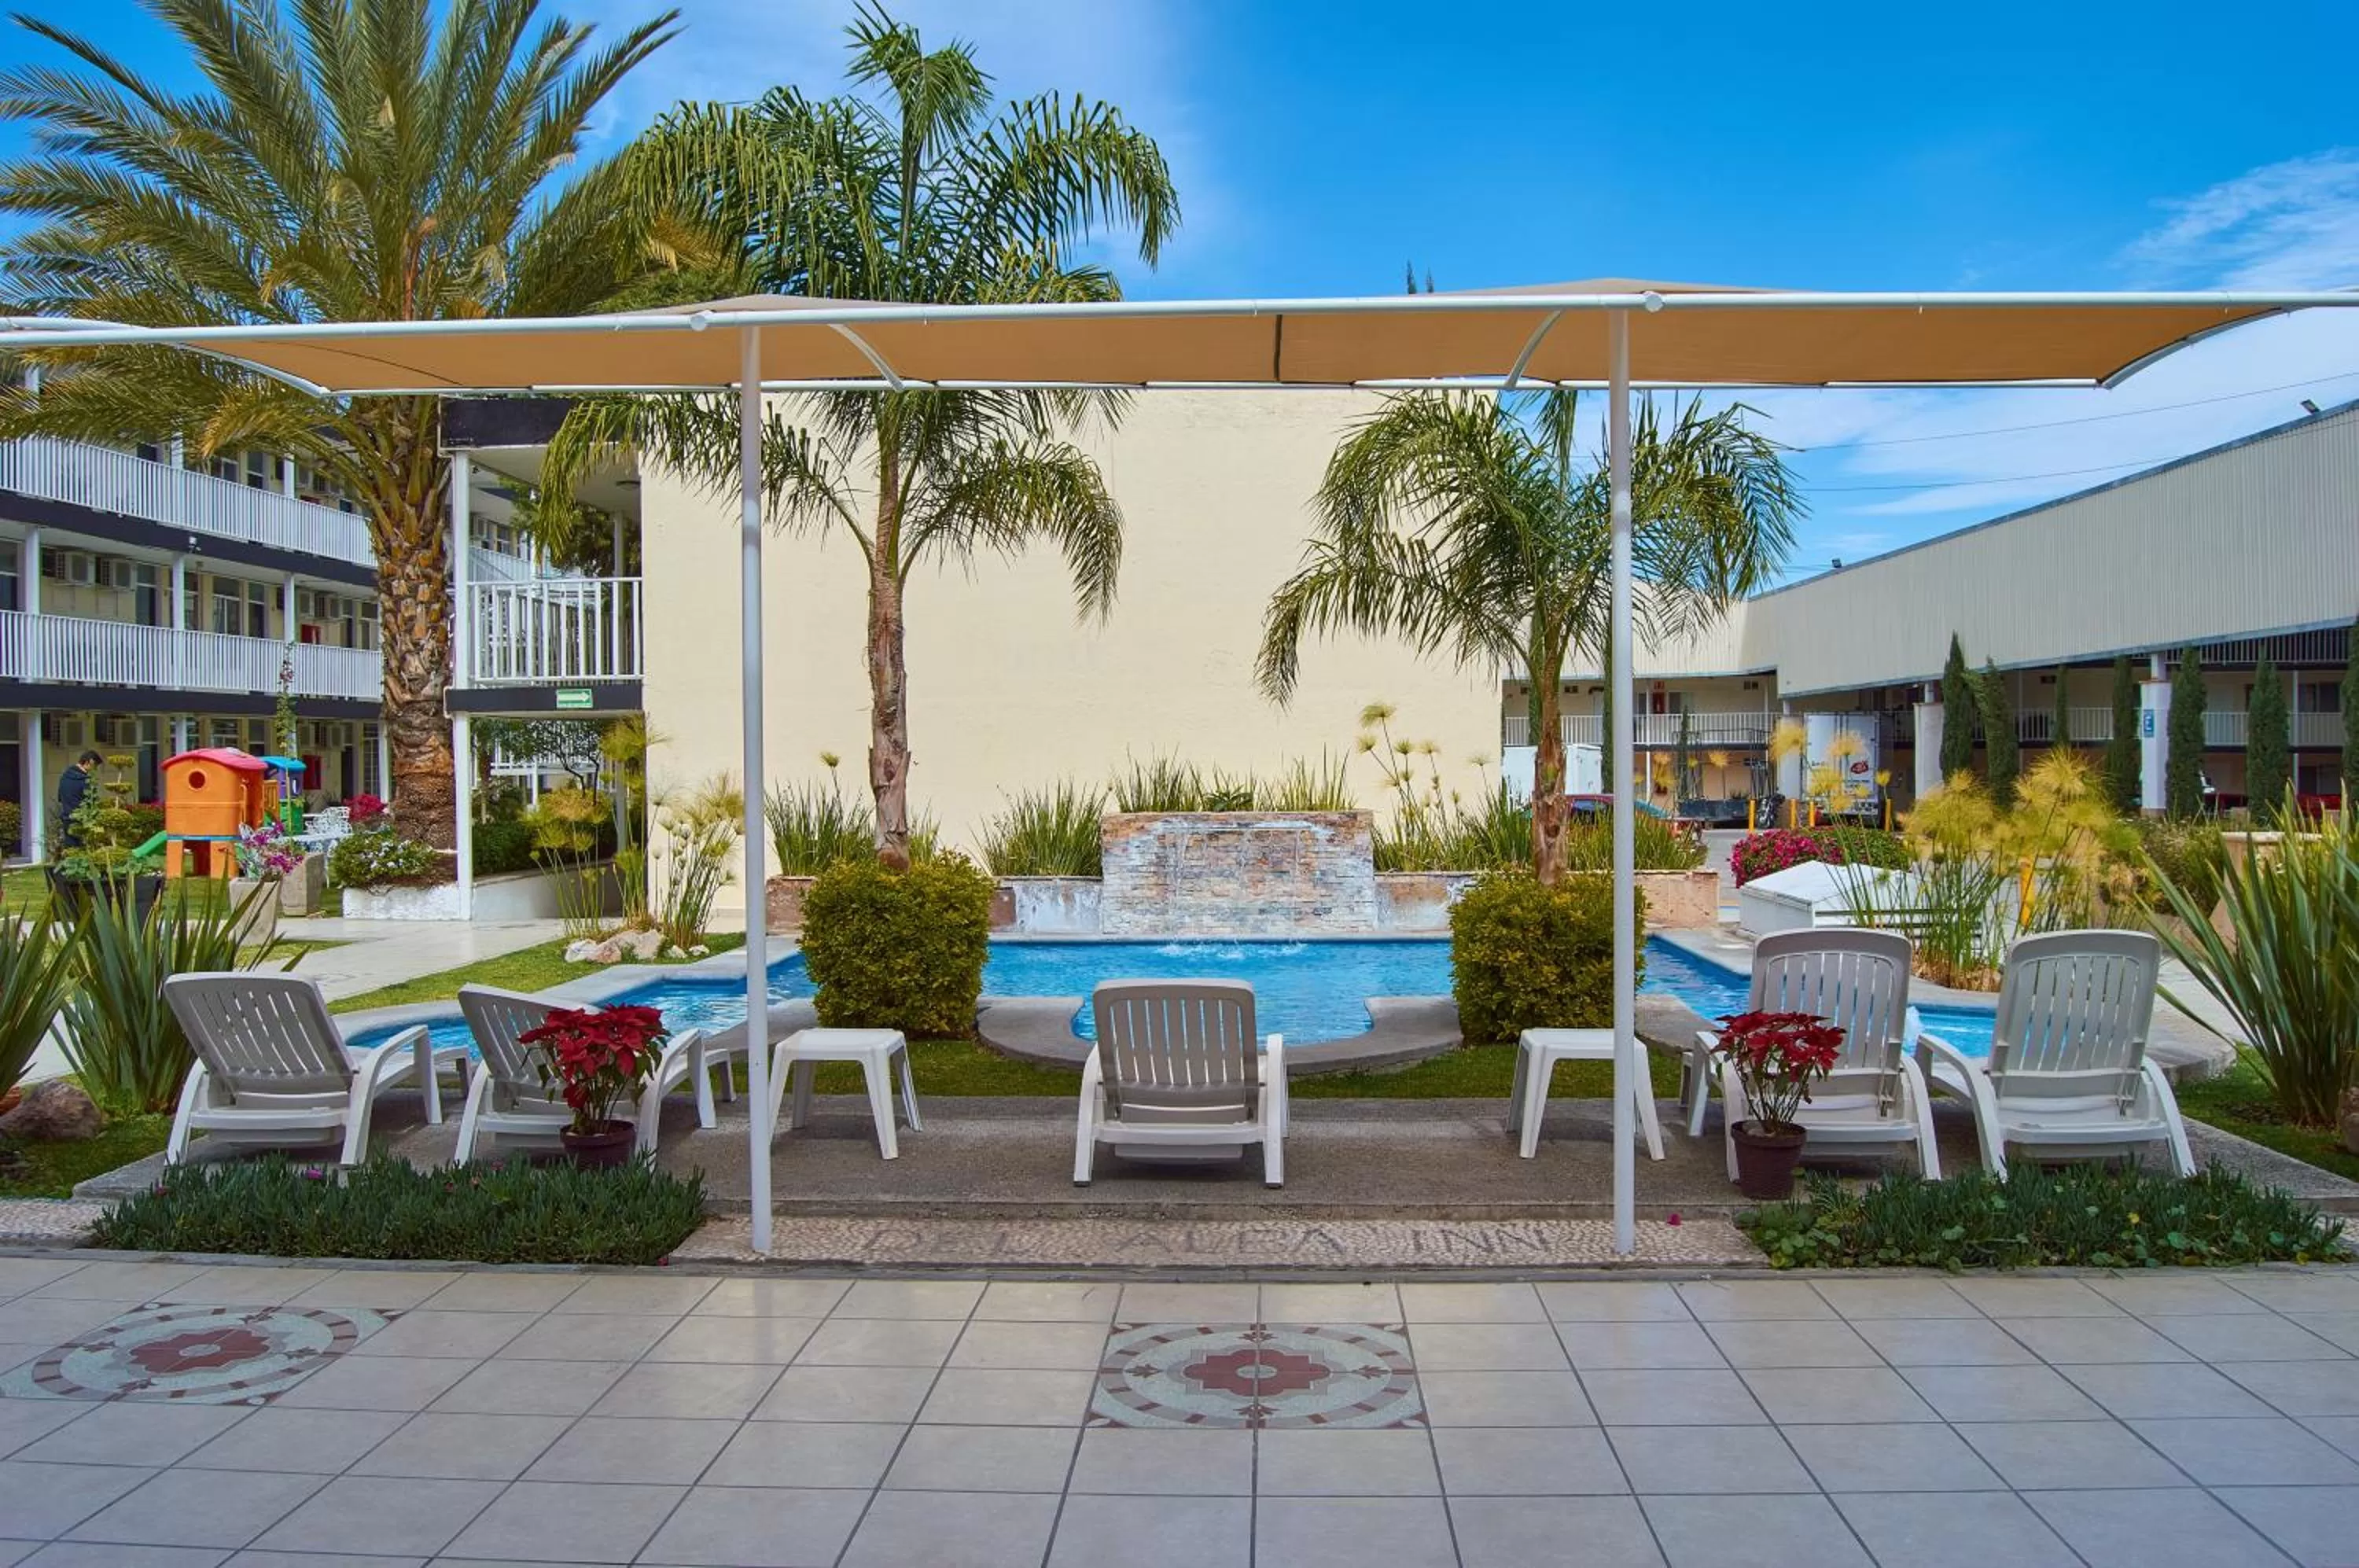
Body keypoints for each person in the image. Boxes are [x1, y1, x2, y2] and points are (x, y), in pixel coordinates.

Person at [57, 749, 101, 848]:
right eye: (96, 766)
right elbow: (91, 803)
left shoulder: (64, 777)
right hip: (82, 821)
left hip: (66, 818)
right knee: (82, 851)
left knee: (70, 850)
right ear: (89, 762)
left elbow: (60, 798)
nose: (95, 769)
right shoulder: (86, 781)